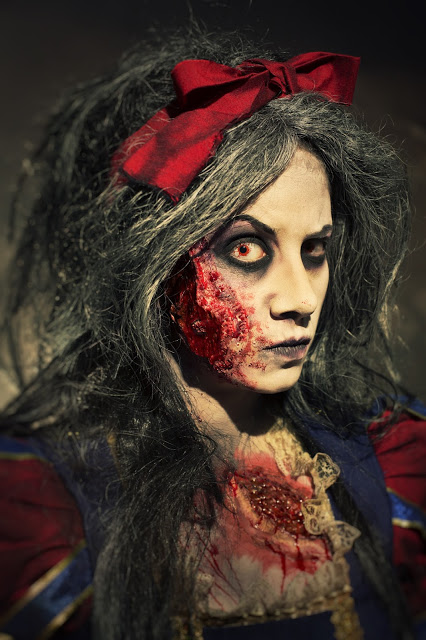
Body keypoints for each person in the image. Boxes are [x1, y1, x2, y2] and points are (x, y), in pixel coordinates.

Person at [0, 28, 425, 640]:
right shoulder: (44, 501)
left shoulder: (393, 459)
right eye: (246, 248)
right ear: (154, 264)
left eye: (314, 250)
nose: (302, 300)